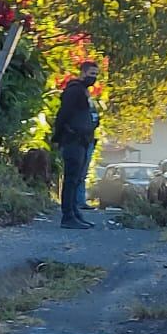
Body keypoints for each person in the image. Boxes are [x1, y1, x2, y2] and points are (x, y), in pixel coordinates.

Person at [50, 61, 99, 230]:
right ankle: (67, 216)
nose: (93, 78)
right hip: (73, 141)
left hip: (84, 141)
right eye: (91, 74)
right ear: (83, 73)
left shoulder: (85, 92)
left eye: (96, 74)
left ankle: (75, 212)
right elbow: (63, 114)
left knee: (77, 179)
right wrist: (58, 137)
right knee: (71, 179)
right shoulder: (74, 91)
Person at [76, 91, 101, 212]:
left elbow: (96, 122)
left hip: (87, 141)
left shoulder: (91, 108)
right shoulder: (75, 108)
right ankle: (76, 201)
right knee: (77, 173)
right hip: (77, 142)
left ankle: (80, 201)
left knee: (82, 174)